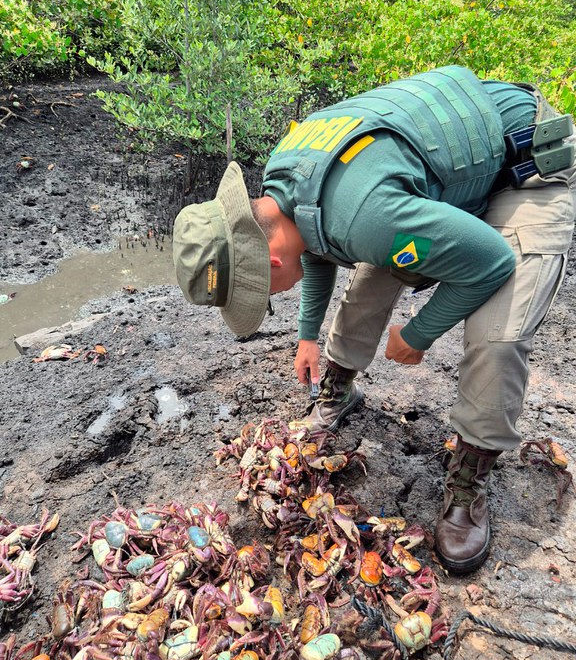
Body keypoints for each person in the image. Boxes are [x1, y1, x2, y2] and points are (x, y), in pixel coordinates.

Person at [173, 65, 576, 574]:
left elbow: (490, 263)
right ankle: (338, 390)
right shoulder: (282, 182)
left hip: (527, 165)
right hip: (440, 182)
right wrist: (307, 336)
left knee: (498, 334)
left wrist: (418, 333)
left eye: (260, 293)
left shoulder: (366, 214)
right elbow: (315, 245)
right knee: (375, 266)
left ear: (268, 262)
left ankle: (469, 481)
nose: (267, 297)